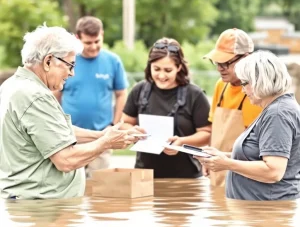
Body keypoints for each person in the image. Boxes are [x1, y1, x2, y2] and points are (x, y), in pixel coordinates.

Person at [0, 25, 141, 200]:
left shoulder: (13, 85)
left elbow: (53, 131)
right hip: (41, 207)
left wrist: (101, 135)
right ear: (48, 61)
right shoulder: (35, 96)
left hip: (31, 202)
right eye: (70, 65)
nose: (72, 73)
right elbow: (66, 160)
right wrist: (106, 143)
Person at [196, 50, 300, 201]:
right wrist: (220, 156)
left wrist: (227, 164)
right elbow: (257, 157)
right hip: (257, 210)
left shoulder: (277, 114)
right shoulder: (275, 109)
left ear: (261, 81)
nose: (243, 90)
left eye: (245, 83)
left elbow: (273, 171)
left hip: (266, 211)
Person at [121, 37, 211, 178]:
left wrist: (182, 142)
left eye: (168, 70)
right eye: (156, 69)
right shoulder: (139, 90)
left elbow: (207, 133)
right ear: (149, 66)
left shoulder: (195, 95)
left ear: (179, 67)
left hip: (186, 178)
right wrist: (133, 131)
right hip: (143, 175)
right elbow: (125, 123)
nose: (161, 75)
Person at [54, 16, 128, 175]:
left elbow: (121, 94)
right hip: (71, 138)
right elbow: (55, 95)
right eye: (88, 43)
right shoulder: (67, 61)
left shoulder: (113, 61)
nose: (94, 46)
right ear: (77, 38)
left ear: (102, 35)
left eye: (97, 41)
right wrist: (58, 124)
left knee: (98, 188)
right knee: (72, 187)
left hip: (102, 137)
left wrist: (114, 124)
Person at [202, 28, 262, 186]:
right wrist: (208, 159)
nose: (219, 68)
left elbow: (259, 149)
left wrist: (225, 161)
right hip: (217, 176)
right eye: (217, 62)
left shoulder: (258, 94)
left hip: (245, 181)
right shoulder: (220, 86)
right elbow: (214, 130)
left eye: (226, 63)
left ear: (246, 58)